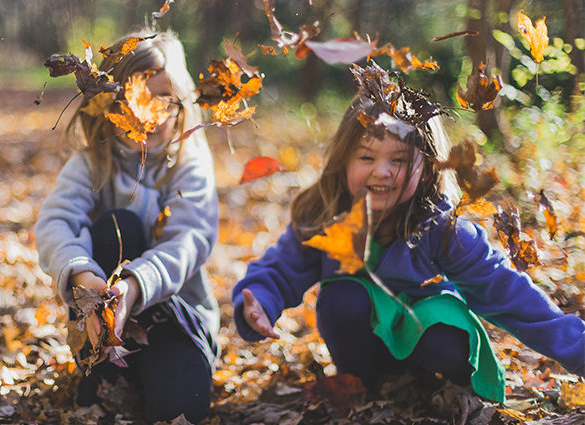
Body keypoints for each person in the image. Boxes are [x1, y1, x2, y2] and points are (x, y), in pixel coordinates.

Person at [232, 63, 585, 403]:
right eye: (366, 158)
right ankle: (365, 384)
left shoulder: (443, 228)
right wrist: (262, 300)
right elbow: (282, 267)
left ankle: (434, 389)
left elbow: (508, 294)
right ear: (344, 160)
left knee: (443, 330)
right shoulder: (326, 213)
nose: (381, 172)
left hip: (431, 341)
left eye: (398, 160)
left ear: (428, 167)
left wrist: (579, 350)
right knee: (342, 298)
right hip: (363, 344)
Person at [34, 30, 219, 423]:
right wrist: (82, 275)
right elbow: (56, 220)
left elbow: (190, 239)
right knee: (118, 225)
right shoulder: (93, 162)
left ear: (180, 103)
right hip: (101, 325)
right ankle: (102, 368)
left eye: (161, 100)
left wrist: (134, 287)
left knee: (182, 408)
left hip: (174, 321)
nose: (146, 114)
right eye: (132, 98)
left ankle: (163, 372)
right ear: (108, 103)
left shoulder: (189, 163)